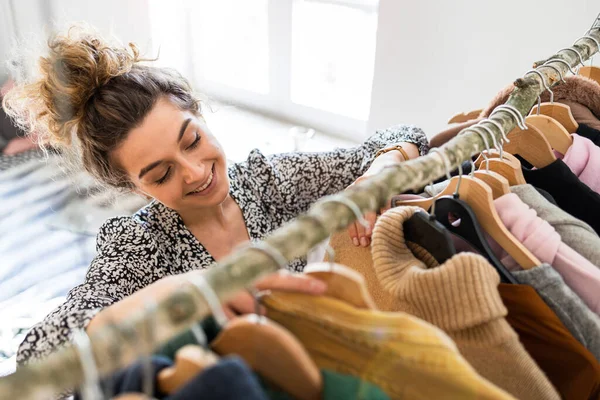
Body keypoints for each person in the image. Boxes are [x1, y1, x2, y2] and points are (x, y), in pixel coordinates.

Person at [3, 27, 428, 366]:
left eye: (192, 141)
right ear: (134, 187)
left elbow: (404, 137)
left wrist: (379, 172)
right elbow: (37, 354)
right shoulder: (138, 244)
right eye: (161, 173)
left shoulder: (261, 183)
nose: (194, 172)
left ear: (201, 116)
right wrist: (179, 290)